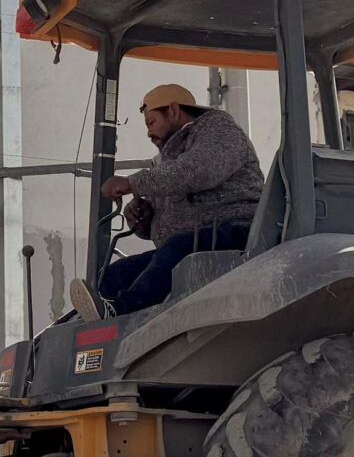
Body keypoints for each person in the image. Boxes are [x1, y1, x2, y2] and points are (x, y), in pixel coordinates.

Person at [93, 82, 266, 312]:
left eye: (151, 122)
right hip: (188, 245)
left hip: (234, 232)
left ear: (173, 110)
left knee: (177, 249)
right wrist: (144, 219)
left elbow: (197, 171)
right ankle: (102, 317)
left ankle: (125, 310)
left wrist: (133, 182)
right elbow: (169, 209)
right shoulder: (169, 158)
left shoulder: (219, 130)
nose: (149, 133)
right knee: (116, 274)